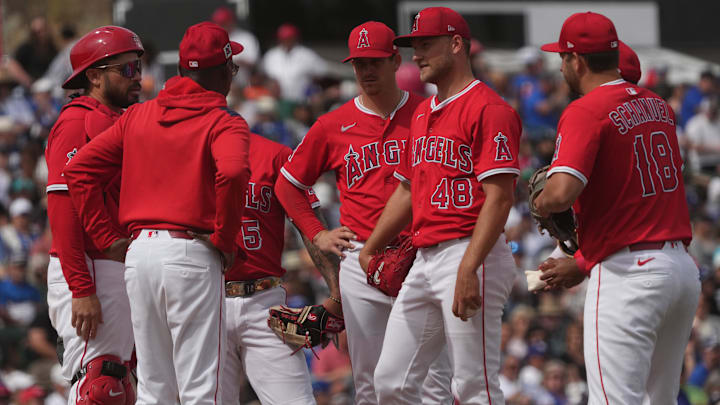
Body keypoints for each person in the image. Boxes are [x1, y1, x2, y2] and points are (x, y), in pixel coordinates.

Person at [63, 22, 250, 404]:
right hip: (190, 252)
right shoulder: (223, 120)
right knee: (201, 388)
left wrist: (107, 238)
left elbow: (77, 171)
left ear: (182, 70)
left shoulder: (138, 116)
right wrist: (224, 238)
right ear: (221, 72)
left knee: (153, 387)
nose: (233, 76)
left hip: (140, 254)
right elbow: (232, 172)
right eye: (231, 68)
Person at [275, 21, 453, 405]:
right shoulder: (332, 125)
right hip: (362, 257)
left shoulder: (428, 114)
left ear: (394, 59)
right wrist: (317, 232)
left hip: (422, 253)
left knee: (437, 379)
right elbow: (287, 184)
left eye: (374, 61)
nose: (367, 71)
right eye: (359, 64)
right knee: (371, 383)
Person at [533, 11, 701, 403]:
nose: (560, 67)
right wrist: (583, 261)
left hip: (630, 277)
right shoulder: (659, 105)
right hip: (679, 270)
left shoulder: (585, 110)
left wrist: (541, 203)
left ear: (577, 60)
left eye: (562, 57)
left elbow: (560, 193)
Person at [359, 7, 522, 404]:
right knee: (390, 381)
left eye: (426, 44)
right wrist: (369, 247)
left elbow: (500, 198)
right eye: (414, 46)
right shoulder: (423, 113)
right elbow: (407, 191)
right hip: (426, 257)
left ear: (455, 44)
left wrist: (469, 267)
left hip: (471, 251)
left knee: (473, 386)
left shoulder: (490, 108)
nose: (416, 55)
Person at [44, 25, 143, 404]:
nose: (137, 78)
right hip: (89, 268)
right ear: (95, 75)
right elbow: (63, 209)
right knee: (101, 385)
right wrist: (82, 289)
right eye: (127, 70)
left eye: (139, 67)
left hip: (115, 265)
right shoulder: (75, 122)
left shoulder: (119, 119)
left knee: (123, 383)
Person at [223, 132, 341, 405]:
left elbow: (308, 222)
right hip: (207, 298)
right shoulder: (188, 152)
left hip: (263, 301)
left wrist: (337, 297)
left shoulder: (274, 154)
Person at [261, 23, 327, 102]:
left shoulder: (306, 54)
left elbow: (322, 72)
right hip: (277, 101)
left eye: (289, 38)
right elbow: (263, 76)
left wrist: (311, 83)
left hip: (302, 101)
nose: (286, 41)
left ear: (295, 38)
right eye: (284, 38)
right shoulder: (271, 55)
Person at [211, 6, 261, 88]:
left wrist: (233, 62)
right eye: (219, 23)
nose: (222, 26)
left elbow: (254, 63)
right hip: (219, 86)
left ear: (231, 22)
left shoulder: (246, 38)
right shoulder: (211, 39)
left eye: (224, 23)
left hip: (245, 86)